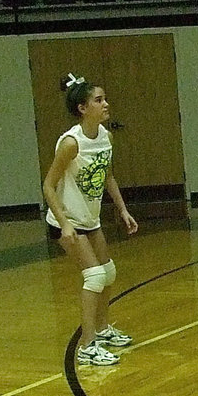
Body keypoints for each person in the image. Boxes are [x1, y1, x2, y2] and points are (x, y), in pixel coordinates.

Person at [41, 73, 138, 366]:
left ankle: (104, 328)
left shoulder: (106, 137)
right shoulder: (71, 143)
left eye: (105, 99)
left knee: (108, 272)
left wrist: (122, 209)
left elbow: (107, 175)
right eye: (99, 100)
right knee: (94, 276)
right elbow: (48, 185)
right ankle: (86, 345)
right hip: (65, 221)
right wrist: (66, 223)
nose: (106, 104)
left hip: (90, 218)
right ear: (83, 108)